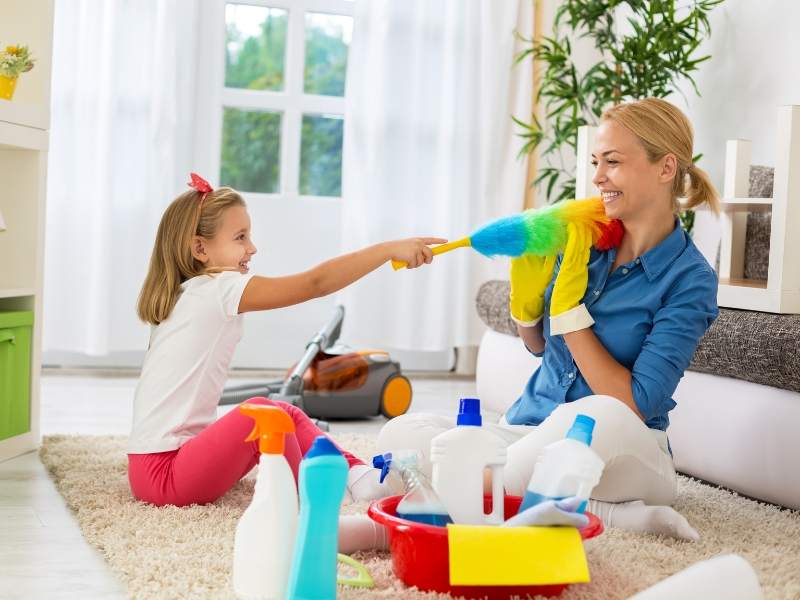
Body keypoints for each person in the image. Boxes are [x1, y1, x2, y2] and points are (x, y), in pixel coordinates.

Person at [377, 97, 720, 541]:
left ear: (665, 168)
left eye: (612, 162)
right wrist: (527, 298)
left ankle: (467, 497)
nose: (597, 177)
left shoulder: (689, 278)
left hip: (622, 450)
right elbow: (539, 346)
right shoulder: (585, 241)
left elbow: (634, 406)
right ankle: (593, 511)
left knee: (596, 414)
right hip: (527, 430)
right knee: (401, 435)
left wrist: (568, 314)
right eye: (596, 162)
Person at [127, 173, 443, 551]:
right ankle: (315, 507)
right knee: (265, 415)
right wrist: (386, 250)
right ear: (200, 249)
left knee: (280, 411)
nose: (253, 247)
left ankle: (356, 475)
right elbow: (315, 284)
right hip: (166, 474)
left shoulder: (189, 292)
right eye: (240, 237)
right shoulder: (218, 288)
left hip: (154, 469)